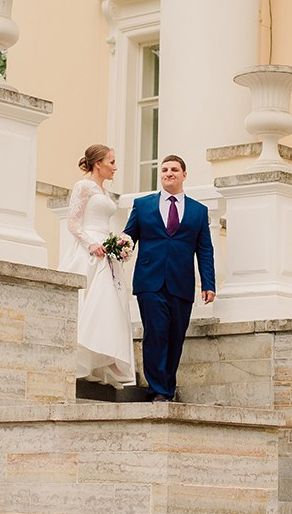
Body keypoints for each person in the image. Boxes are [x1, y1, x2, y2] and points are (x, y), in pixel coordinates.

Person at [123, 154, 215, 403]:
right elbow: (128, 237)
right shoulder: (142, 206)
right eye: (164, 169)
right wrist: (116, 250)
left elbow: (204, 249)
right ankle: (158, 391)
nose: (168, 173)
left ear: (184, 174)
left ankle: (168, 387)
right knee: (156, 333)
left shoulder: (198, 211)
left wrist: (208, 284)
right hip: (149, 281)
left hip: (181, 282)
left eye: (174, 169)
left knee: (176, 336)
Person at [60, 144, 136, 387]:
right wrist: (91, 244)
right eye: (111, 162)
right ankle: (85, 354)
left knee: (109, 303)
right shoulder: (83, 187)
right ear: (98, 163)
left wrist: (118, 244)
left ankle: (101, 357)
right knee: (92, 300)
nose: (115, 167)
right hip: (90, 251)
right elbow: (73, 223)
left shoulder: (104, 192)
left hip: (107, 250)